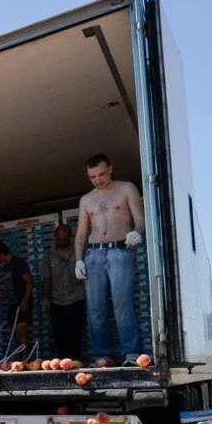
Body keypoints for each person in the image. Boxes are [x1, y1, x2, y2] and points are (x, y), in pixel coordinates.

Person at [74, 154, 145, 365]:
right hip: (93, 254)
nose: (98, 180)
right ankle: (102, 355)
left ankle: (131, 354)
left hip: (120, 250)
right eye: (92, 176)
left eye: (101, 174)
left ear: (111, 169)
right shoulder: (86, 200)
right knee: (95, 307)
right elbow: (80, 234)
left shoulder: (126, 188)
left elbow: (140, 218)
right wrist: (79, 260)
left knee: (122, 304)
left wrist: (137, 232)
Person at [41, 224, 86, 360]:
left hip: (77, 296)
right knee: (58, 331)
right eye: (59, 240)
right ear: (55, 238)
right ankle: (62, 360)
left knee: (75, 329)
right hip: (56, 298)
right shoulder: (49, 255)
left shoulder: (79, 251)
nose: (62, 242)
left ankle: (74, 360)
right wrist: (45, 299)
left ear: (70, 237)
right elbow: (46, 278)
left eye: (65, 239)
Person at [0, 241, 33, 354]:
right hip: (12, 305)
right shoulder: (6, 267)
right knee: (16, 334)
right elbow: (7, 290)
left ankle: (25, 362)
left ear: (1, 253)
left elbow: (30, 282)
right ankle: (21, 361)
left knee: (21, 332)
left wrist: (25, 301)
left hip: (21, 302)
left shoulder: (18, 262)